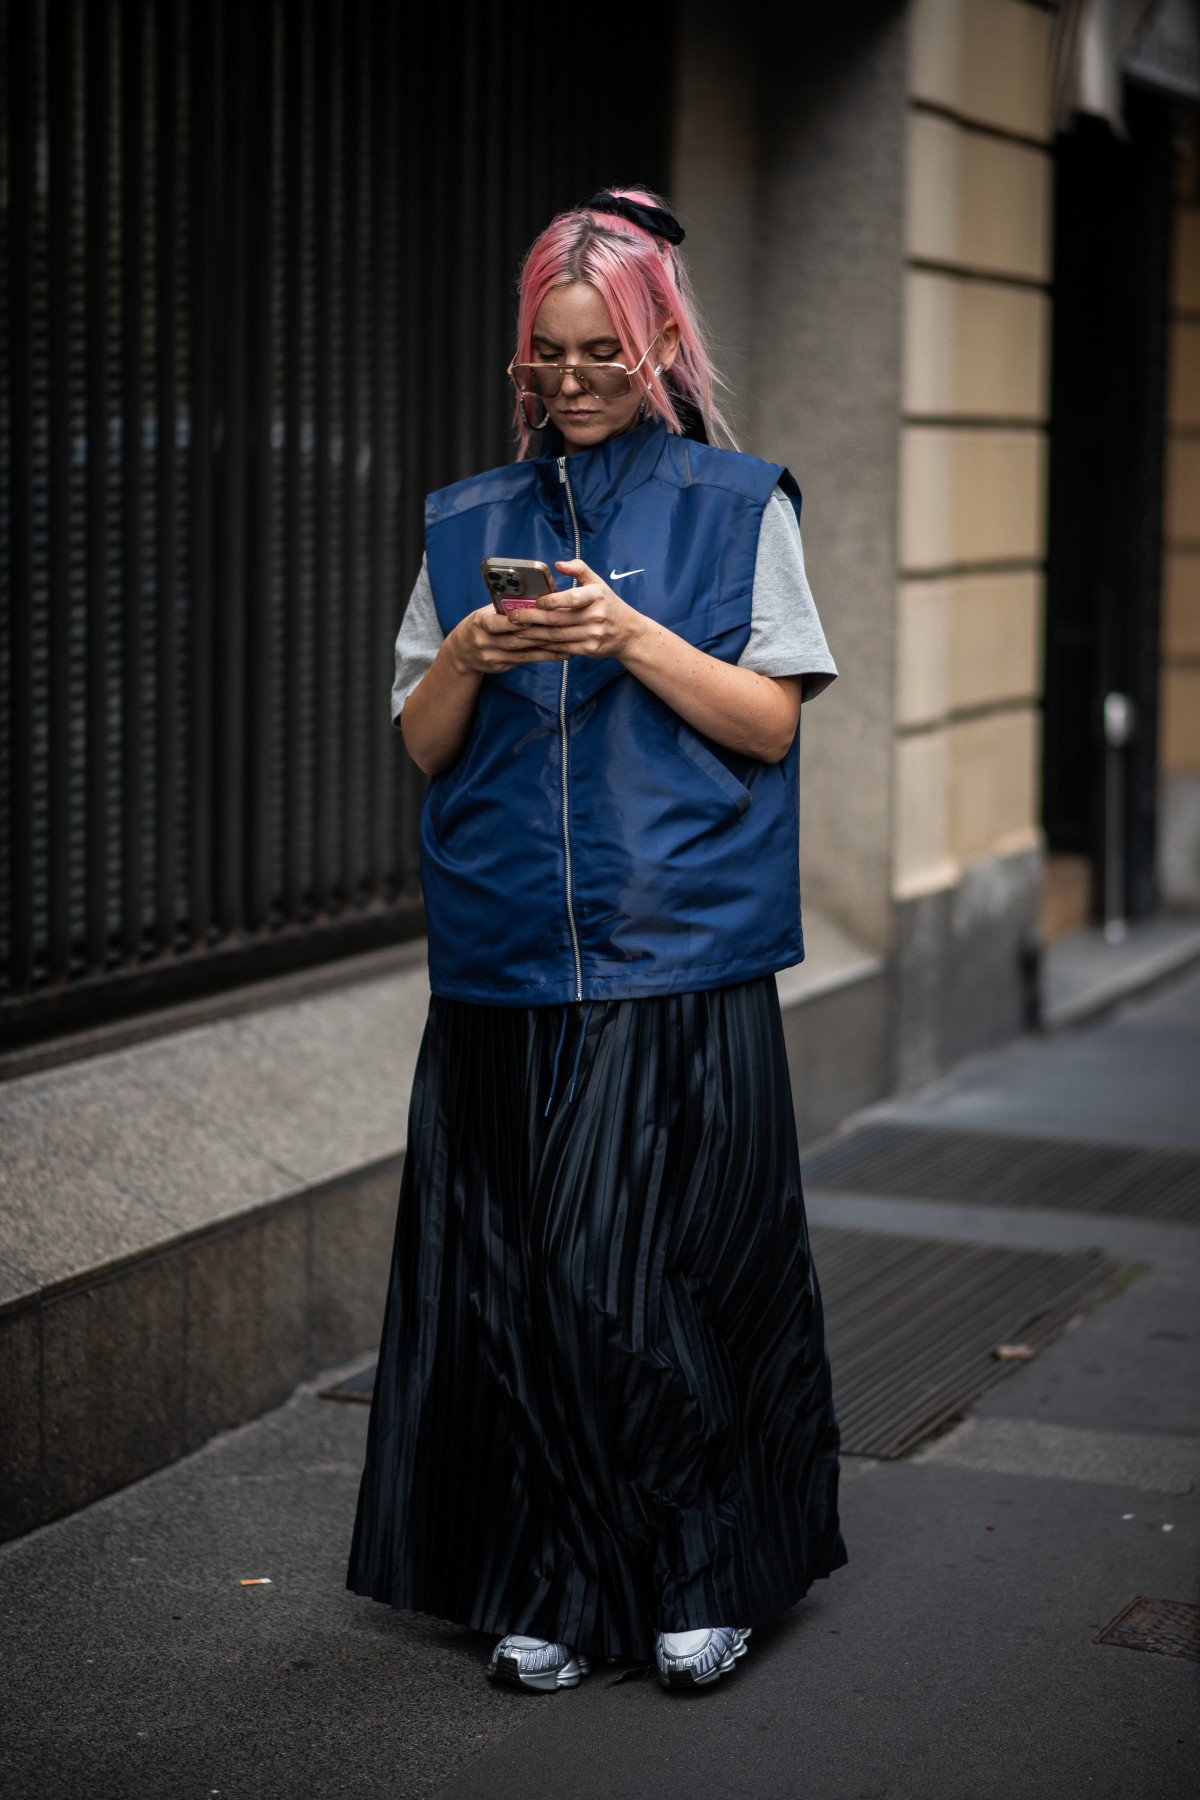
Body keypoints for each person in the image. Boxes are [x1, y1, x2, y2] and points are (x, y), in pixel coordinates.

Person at [347, 188, 846, 1694]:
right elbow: (421, 742)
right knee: (512, 1284)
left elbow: (770, 719)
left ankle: (707, 1570)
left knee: (649, 1274)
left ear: (660, 350)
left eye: (601, 358)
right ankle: (552, 1576)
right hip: (504, 960)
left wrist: (630, 635)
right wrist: (481, 653)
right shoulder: (464, 522)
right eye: (545, 360)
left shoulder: (739, 503)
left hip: (672, 955)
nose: (569, 385)